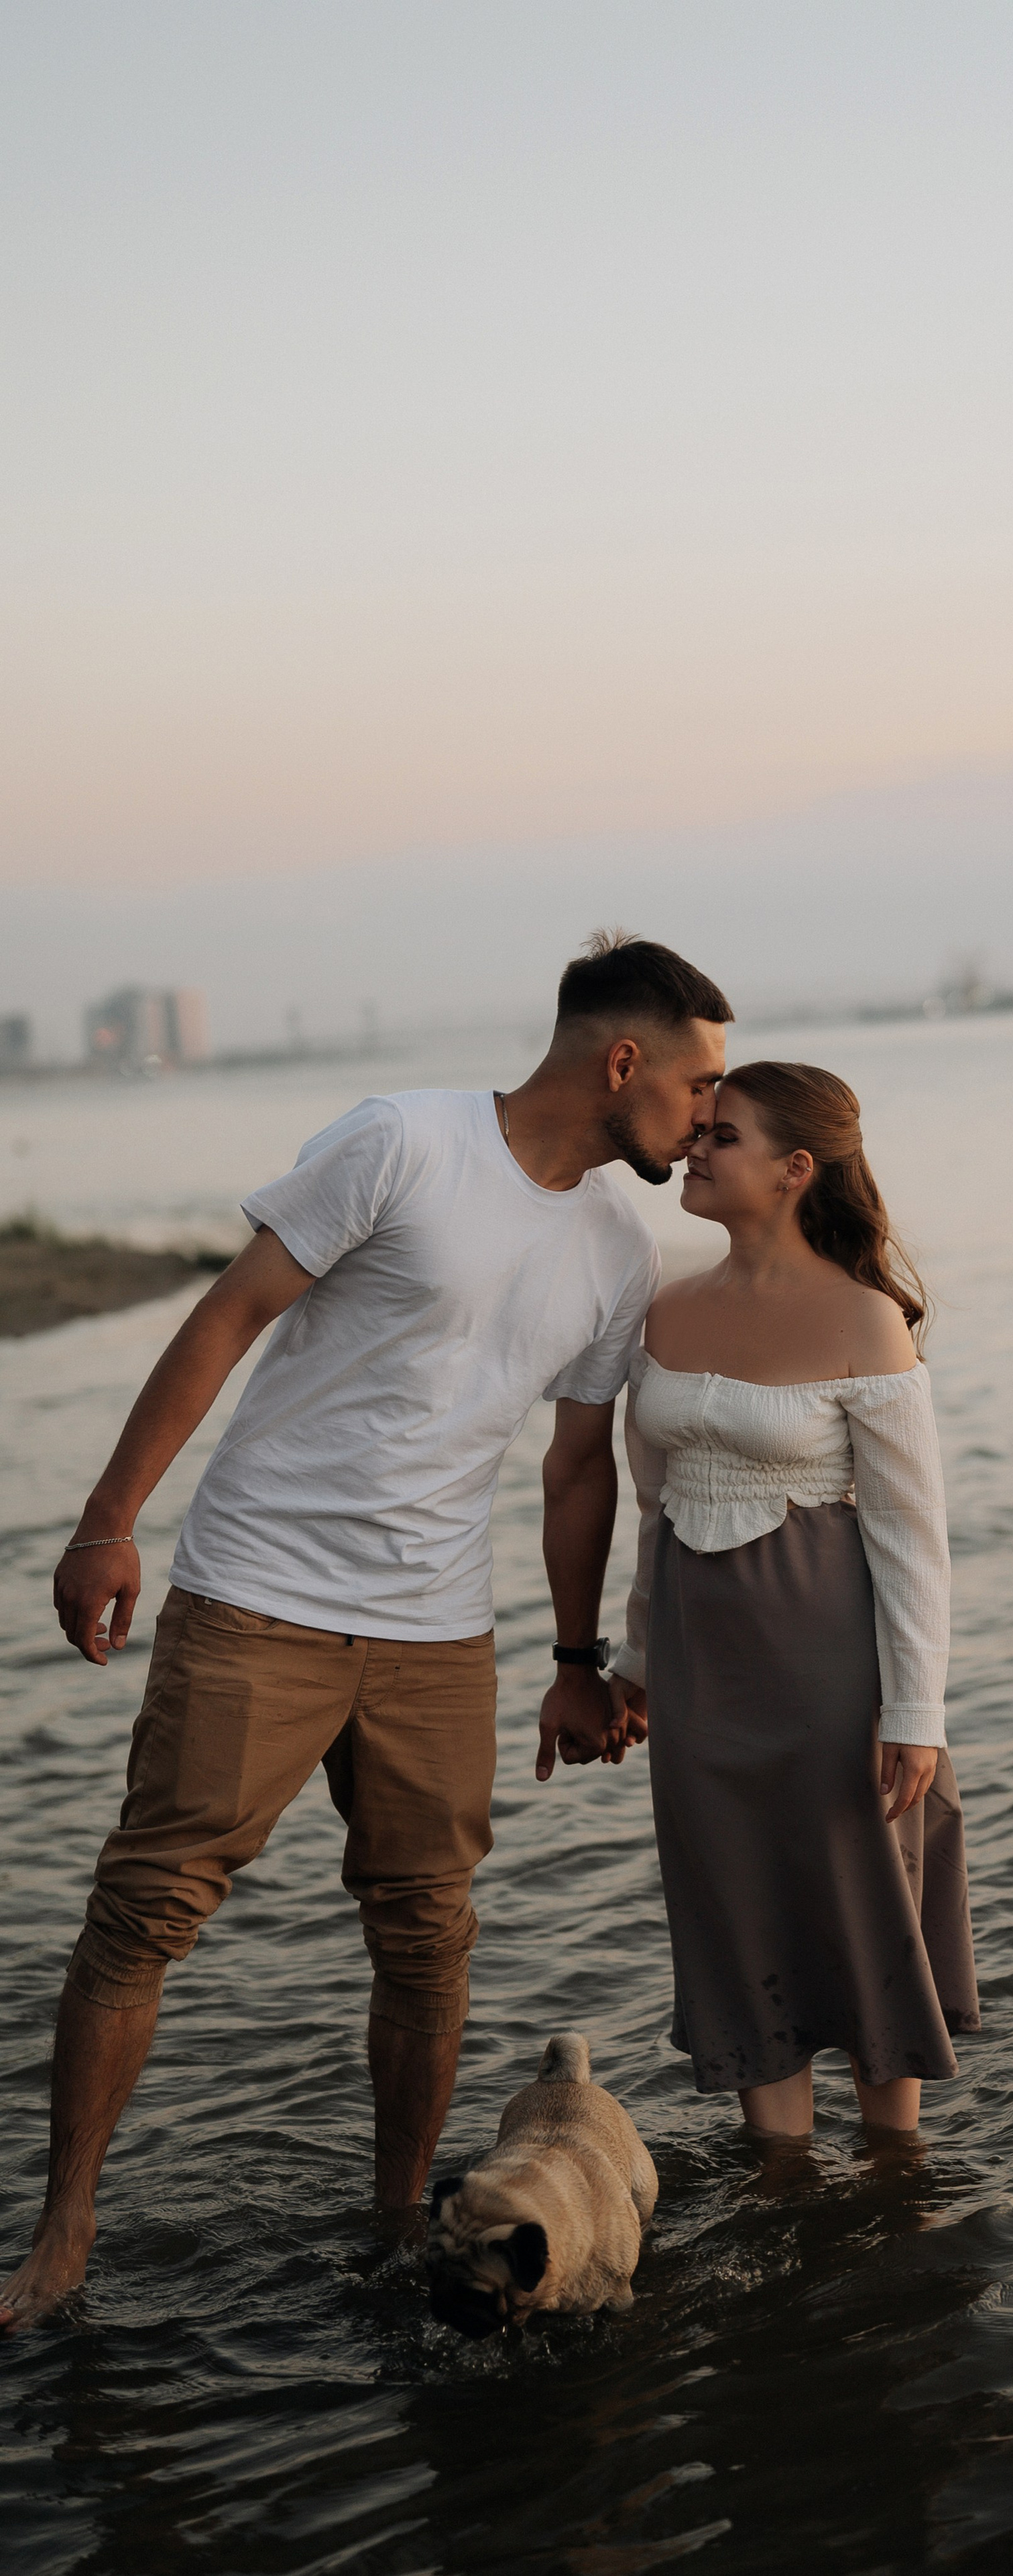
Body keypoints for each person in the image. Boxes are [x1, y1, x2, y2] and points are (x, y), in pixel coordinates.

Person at [0, 932, 732, 2333]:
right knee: (147, 1907)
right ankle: (64, 2225)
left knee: (427, 1937)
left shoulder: (619, 1247)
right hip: (258, 1596)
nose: (708, 1114)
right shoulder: (402, 1141)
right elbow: (227, 1316)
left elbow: (576, 1468)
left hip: (437, 1635)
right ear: (622, 1061)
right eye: (699, 1084)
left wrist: (576, 1662)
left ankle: (401, 2224)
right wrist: (107, 1521)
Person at [610, 1061, 978, 2142]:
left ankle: (897, 2170)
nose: (692, 1148)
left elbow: (913, 1539)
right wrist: (634, 1663)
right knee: (734, 1910)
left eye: (721, 1136)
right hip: (699, 1676)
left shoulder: (867, 1321)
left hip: (830, 1671)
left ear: (794, 1169)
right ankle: (779, 2172)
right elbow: (653, 1508)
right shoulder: (666, 1310)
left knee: (860, 1904)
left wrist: (915, 1713)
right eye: (699, 1131)